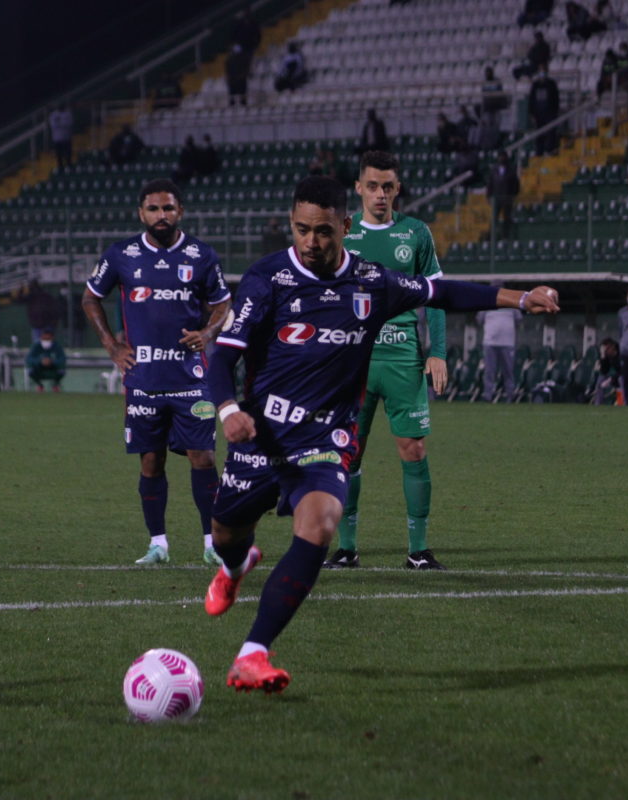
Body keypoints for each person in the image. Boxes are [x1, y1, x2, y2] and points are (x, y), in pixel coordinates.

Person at [202, 174, 560, 692]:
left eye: (323, 231)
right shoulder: (268, 278)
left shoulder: (373, 281)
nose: (312, 242)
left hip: (326, 436)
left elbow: (442, 291)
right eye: (301, 229)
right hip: (261, 434)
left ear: (345, 226)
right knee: (226, 535)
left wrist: (518, 298)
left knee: (322, 522)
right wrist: (229, 409)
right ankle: (236, 566)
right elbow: (225, 356)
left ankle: (252, 653)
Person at [82, 178, 232, 566]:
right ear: (141, 213)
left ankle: (212, 544)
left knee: (204, 458)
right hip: (143, 380)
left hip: (191, 380)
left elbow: (223, 303)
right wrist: (112, 347)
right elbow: (91, 298)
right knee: (151, 462)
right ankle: (158, 545)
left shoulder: (201, 255)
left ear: (180, 211)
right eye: (153, 208)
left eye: (168, 208)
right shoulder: (121, 255)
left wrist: (209, 332)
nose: (161, 215)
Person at [316, 151, 451, 571]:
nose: (380, 194)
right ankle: (347, 547)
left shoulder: (416, 234)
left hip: (401, 357)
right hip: (351, 359)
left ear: (397, 189)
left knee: (413, 448)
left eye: (388, 186)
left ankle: (418, 549)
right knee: (347, 454)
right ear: (358, 188)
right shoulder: (344, 235)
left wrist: (438, 352)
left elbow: (438, 297)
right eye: (372, 186)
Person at [478, 300, 522, 402]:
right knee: (489, 370)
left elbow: (518, 319)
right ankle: (488, 395)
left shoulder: (511, 302)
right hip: (490, 343)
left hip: (507, 343)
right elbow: (479, 319)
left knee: (508, 370)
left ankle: (510, 394)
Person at [14, 278, 61, 343]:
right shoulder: (32, 297)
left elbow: (55, 311)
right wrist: (21, 288)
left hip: (46, 326)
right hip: (38, 326)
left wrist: (52, 324)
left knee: (45, 345)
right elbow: (19, 300)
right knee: (38, 345)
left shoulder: (45, 296)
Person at [528, 65, 560, 156]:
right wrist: (531, 113)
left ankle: (550, 150)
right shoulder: (535, 85)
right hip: (538, 114)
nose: (542, 73)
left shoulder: (551, 84)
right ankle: (539, 152)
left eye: (544, 71)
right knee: (539, 134)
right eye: (541, 71)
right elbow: (531, 100)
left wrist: (555, 112)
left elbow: (556, 99)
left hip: (549, 113)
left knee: (551, 133)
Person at [488, 151, 520, 239]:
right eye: (500, 157)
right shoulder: (494, 170)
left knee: (507, 217)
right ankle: (494, 236)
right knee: (494, 218)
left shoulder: (511, 170)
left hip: (507, 198)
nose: (501, 159)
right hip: (496, 198)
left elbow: (516, 184)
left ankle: (506, 236)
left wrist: (512, 195)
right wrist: (489, 196)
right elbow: (490, 184)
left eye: (503, 157)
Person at [25, 327, 66, 392]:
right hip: (39, 368)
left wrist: (52, 362)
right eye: (44, 338)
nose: (46, 341)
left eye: (48, 339)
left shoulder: (57, 346)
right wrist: (40, 361)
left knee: (61, 371)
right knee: (30, 371)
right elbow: (29, 359)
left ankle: (55, 385)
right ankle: (39, 385)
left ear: (52, 338)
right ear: (41, 337)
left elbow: (62, 359)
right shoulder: (36, 346)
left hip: (53, 368)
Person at [592, 337, 620, 404]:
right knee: (600, 380)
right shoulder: (607, 356)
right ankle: (598, 404)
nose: (605, 351)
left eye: (606, 349)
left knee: (621, 379)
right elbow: (604, 371)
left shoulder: (620, 355)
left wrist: (610, 379)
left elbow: (623, 371)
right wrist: (603, 356)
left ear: (612, 347)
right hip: (614, 378)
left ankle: (625, 403)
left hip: (624, 377)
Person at [48, 105, 74, 170]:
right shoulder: (53, 114)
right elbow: (53, 125)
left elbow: (69, 124)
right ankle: (60, 166)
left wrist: (59, 122)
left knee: (67, 153)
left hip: (66, 137)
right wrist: (61, 123)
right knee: (58, 154)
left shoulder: (68, 114)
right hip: (57, 138)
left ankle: (69, 165)